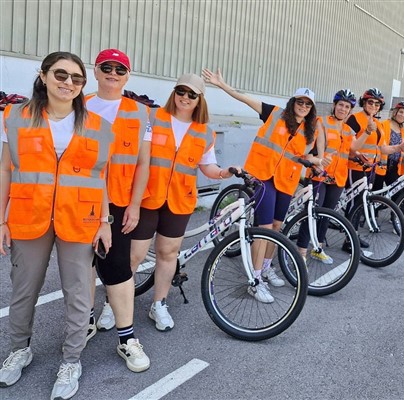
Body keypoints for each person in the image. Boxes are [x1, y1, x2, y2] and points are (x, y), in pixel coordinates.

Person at [0, 51, 113, 400]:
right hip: (27, 216)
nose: (68, 83)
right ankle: (20, 349)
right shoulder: (15, 116)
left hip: (80, 219)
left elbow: (99, 177)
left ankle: (72, 360)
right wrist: (1, 218)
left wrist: (105, 221)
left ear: (82, 86)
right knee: (23, 291)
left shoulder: (99, 127)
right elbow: (6, 169)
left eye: (76, 79)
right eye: (61, 75)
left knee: (79, 294)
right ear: (44, 75)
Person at [202, 67, 321, 303]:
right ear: (293, 102)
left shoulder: (310, 132)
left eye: (308, 105)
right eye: (300, 102)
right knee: (264, 228)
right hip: (263, 177)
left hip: (285, 182)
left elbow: (303, 157)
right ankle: (255, 280)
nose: (303, 107)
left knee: (277, 228)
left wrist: (315, 161)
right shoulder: (274, 113)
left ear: (311, 109)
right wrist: (222, 85)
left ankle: (266, 267)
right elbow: (244, 98)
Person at [129, 73, 238, 329]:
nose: (185, 98)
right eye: (181, 91)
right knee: (135, 255)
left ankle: (159, 304)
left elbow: (208, 167)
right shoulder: (153, 117)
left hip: (179, 201)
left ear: (200, 99)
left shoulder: (205, 133)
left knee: (168, 254)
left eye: (192, 94)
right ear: (174, 92)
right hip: (147, 197)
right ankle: (115, 304)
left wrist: (224, 172)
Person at [85, 49, 151, 371]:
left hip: (119, 202)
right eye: (106, 68)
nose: (113, 73)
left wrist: (135, 204)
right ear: (95, 71)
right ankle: (85, 320)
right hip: (79, 200)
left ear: (128, 75)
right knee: (81, 266)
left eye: (120, 69)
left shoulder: (140, 113)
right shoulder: (77, 106)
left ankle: (127, 339)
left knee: (118, 268)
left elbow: (143, 162)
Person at [296, 89, 356, 263]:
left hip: (338, 178)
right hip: (318, 175)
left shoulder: (348, 130)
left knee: (327, 214)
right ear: (334, 106)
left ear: (350, 111)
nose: (343, 109)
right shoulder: (321, 122)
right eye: (340, 105)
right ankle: (301, 252)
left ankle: (318, 248)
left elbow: (352, 149)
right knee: (312, 213)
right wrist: (316, 161)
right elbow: (311, 146)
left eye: (347, 107)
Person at [383, 101, 404, 185]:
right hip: (382, 164)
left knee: (397, 193)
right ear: (395, 112)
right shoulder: (384, 124)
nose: (403, 115)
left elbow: (403, 148)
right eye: (401, 112)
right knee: (377, 192)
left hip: (395, 165)